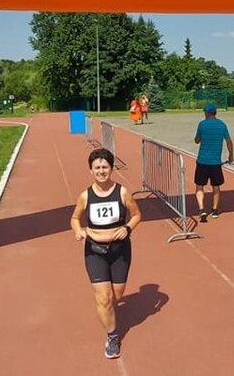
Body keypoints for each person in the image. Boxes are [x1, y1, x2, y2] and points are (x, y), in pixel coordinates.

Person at [70, 148, 141, 359]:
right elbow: (74, 218)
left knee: (116, 296)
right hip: (95, 251)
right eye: (97, 167)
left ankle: (110, 308)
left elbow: (137, 215)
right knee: (103, 298)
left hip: (120, 251)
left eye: (105, 167)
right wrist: (78, 231)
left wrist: (127, 228)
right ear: (91, 170)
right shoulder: (85, 196)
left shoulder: (122, 192)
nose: (101, 171)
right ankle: (112, 336)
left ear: (111, 168)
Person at [193, 103, 234, 223]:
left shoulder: (202, 124)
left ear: (206, 113)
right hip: (216, 162)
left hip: (202, 161)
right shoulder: (222, 125)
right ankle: (215, 210)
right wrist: (231, 154)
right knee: (216, 187)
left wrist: (202, 138)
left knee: (199, 186)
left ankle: (201, 209)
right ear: (215, 112)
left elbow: (197, 140)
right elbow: (228, 141)